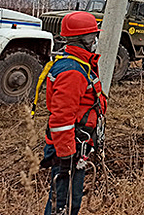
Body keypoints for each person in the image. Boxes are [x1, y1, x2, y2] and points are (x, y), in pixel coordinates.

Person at [41, 11, 108, 215]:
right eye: (92, 37)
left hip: (74, 145)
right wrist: (67, 155)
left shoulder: (76, 64)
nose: (95, 40)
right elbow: (61, 118)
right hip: (69, 149)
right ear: (83, 40)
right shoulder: (73, 71)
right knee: (63, 205)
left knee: (69, 200)